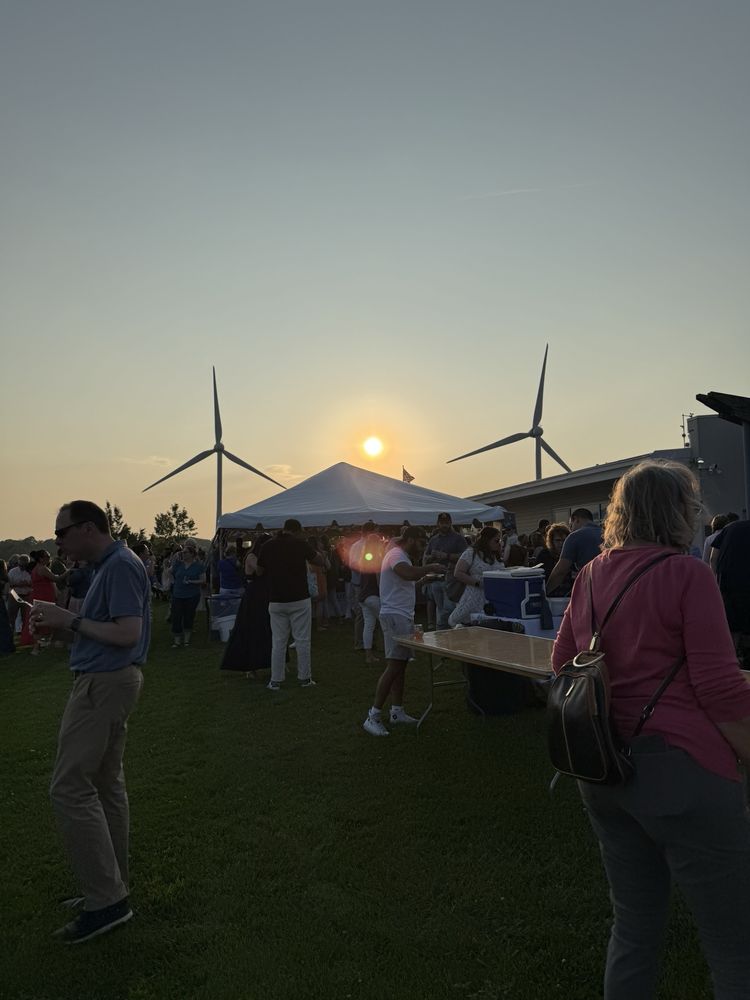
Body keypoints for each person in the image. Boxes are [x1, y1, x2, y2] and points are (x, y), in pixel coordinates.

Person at [551, 460, 750, 999]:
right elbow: (719, 688)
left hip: (605, 768)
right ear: (679, 512)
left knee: (634, 930)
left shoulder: (590, 575)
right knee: (734, 944)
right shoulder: (687, 573)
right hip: (685, 771)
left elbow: (563, 661)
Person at [27, 500, 150, 944]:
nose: (56, 541)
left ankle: (107, 899)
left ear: (86, 528)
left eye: (61, 533)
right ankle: (111, 884)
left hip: (103, 683)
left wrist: (70, 620)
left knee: (69, 786)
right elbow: (108, 627)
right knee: (103, 784)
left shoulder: (118, 566)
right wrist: (60, 627)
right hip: (109, 680)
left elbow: (127, 633)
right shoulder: (110, 566)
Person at [362, 527, 443, 736]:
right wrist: (429, 567)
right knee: (394, 665)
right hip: (395, 616)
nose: (423, 547)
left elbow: (404, 582)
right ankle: (373, 715)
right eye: (422, 543)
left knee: (401, 665)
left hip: (401, 615)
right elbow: (406, 573)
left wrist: (424, 580)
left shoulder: (400, 554)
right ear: (411, 540)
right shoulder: (396, 554)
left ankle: (397, 711)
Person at [256, 519, 326, 690]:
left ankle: (275, 680)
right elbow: (319, 561)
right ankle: (305, 678)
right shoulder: (300, 544)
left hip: (276, 599)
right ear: (297, 530)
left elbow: (259, 571)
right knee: (302, 640)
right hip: (299, 599)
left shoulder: (268, 546)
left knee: (278, 642)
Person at [221, 533, 274, 675]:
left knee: (268, 627)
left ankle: (269, 660)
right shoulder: (252, 557)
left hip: (266, 594)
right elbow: (259, 571)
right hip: (254, 595)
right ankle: (250, 665)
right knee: (252, 627)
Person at [710, 518, 750, 662]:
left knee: (731, 624)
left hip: (726, 582)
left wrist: (714, 583)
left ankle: (731, 657)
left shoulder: (729, 528)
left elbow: (713, 558)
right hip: (745, 581)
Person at [448, 526, 504, 626]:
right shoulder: (471, 553)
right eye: (496, 540)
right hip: (475, 594)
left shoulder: (494, 555)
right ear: (487, 540)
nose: (499, 543)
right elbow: (458, 573)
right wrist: (478, 583)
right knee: (469, 622)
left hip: (493, 596)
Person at [423, 513, 468, 629]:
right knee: (440, 609)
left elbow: (465, 557)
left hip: (451, 581)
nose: (444, 525)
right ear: (438, 524)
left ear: (450, 523)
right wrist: (431, 557)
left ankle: (444, 631)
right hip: (435, 580)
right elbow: (425, 557)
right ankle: (442, 635)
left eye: (447, 523)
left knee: (448, 610)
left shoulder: (458, 538)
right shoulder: (433, 540)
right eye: (442, 523)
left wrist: (446, 556)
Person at [545, 507, 602, 594]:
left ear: (576, 519)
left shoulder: (575, 536)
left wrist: (546, 591)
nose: (571, 529)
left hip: (589, 589)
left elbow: (561, 571)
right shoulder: (607, 534)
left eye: (571, 525)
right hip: (610, 587)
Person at [24, 549, 70, 654]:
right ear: (41, 559)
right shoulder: (42, 568)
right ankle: (37, 647)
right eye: (47, 557)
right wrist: (68, 571)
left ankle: (40, 645)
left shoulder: (36, 568)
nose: (49, 559)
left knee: (38, 621)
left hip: (39, 595)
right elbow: (56, 579)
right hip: (43, 596)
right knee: (41, 621)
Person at [169, 543, 206, 648]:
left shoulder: (199, 566)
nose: (183, 554)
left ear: (192, 554)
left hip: (192, 595)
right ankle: (176, 641)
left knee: (188, 617)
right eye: (182, 552)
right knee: (176, 617)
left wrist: (191, 581)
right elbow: (169, 572)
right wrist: (170, 564)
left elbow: (203, 580)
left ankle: (186, 640)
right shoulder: (178, 564)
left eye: (185, 552)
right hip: (178, 594)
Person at [359, 532, 384, 664]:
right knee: (387, 624)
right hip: (373, 596)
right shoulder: (376, 558)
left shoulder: (364, 557)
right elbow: (379, 580)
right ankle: (393, 652)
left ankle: (368, 655)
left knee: (369, 626)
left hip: (364, 597)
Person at [537, 523, 573, 597]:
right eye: (558, 540)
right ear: (552, 541)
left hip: (570, 596)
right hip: (550, 596)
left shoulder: (573, 554)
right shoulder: (544, 555)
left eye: (564, 540)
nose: (561, 543)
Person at [7, 554, 32, 634]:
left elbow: (35, 583)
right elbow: (8, 584)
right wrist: (18, 584)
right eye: (21, 565)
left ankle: (25, 634)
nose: (22, 567)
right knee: (12, 616)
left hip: (26, 595)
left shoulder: (30, 571)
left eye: (24, 565)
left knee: (26, 617)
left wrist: (27, 583)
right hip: (14, 595)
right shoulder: (13, 571)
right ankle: (10, 633)